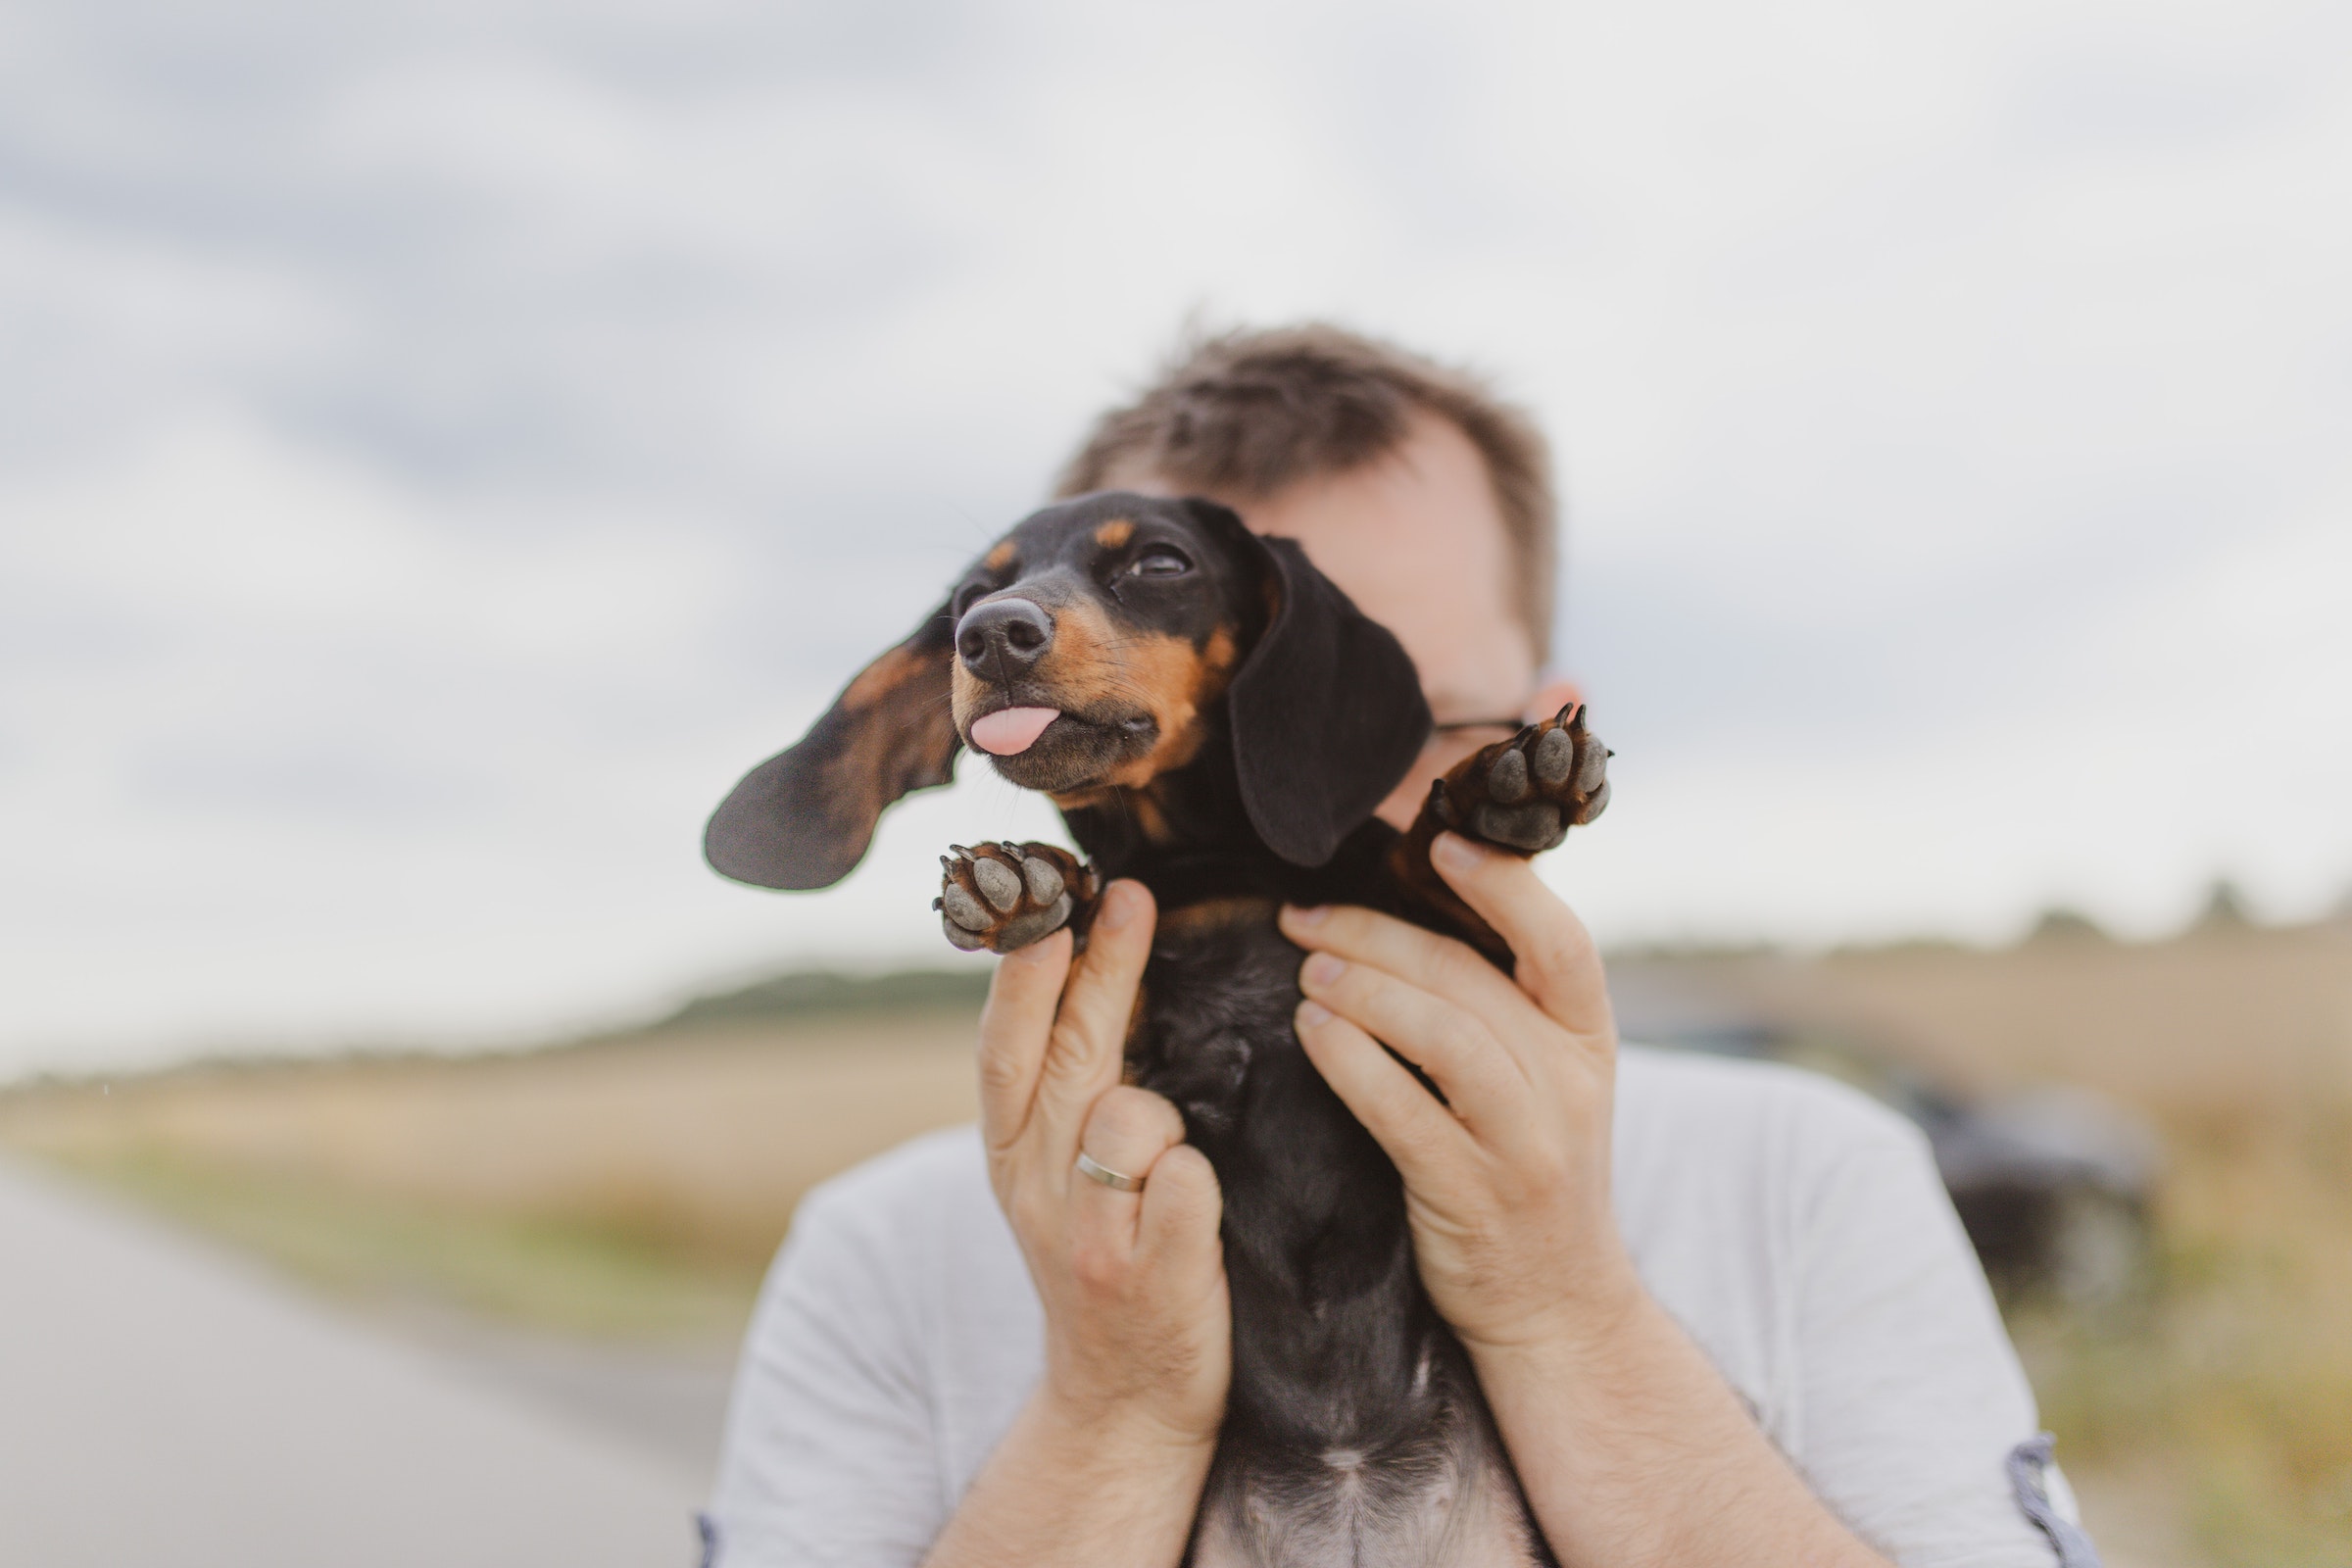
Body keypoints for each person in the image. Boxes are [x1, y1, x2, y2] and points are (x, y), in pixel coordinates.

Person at [702, 325, 2097, 1567]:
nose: (1291, 784)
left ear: (1546, 737)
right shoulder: (870, 1258)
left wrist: (1568, 1315)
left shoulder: (1816, 1181)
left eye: (1388, 714)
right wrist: (1107, 1408)